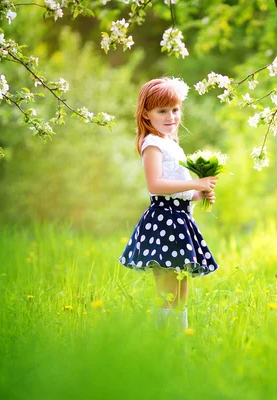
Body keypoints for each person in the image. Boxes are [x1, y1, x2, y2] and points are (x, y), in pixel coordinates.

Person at [118, 77, 219, 331]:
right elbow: (155, 185)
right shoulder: (152, 144)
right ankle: (162, 342)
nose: (170, 116)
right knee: (168, 292)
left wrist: (199, 193)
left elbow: (179, 190)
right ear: (147, 114)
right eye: (162, 111)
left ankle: (178, 343)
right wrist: (195, 184)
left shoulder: (171, 144)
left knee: (181, 291)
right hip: (165, 220)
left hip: (179, 220)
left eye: (174, 110)